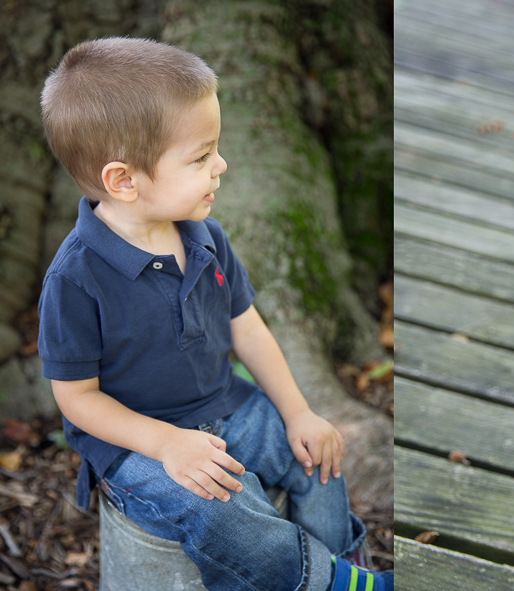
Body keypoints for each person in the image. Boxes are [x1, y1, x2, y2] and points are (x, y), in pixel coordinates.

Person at [37, 37, 391, 591]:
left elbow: (246, 327)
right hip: (137, 447)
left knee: (316, 459)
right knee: (222, 505)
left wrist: (299, 413)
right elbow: (76, 398)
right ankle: (319, 581)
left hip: (225, 405)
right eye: (201, 157)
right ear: (123, 180)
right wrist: (165, 443)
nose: (221, 165)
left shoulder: (205, 239)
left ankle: (346, 565)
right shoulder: (76, 278)